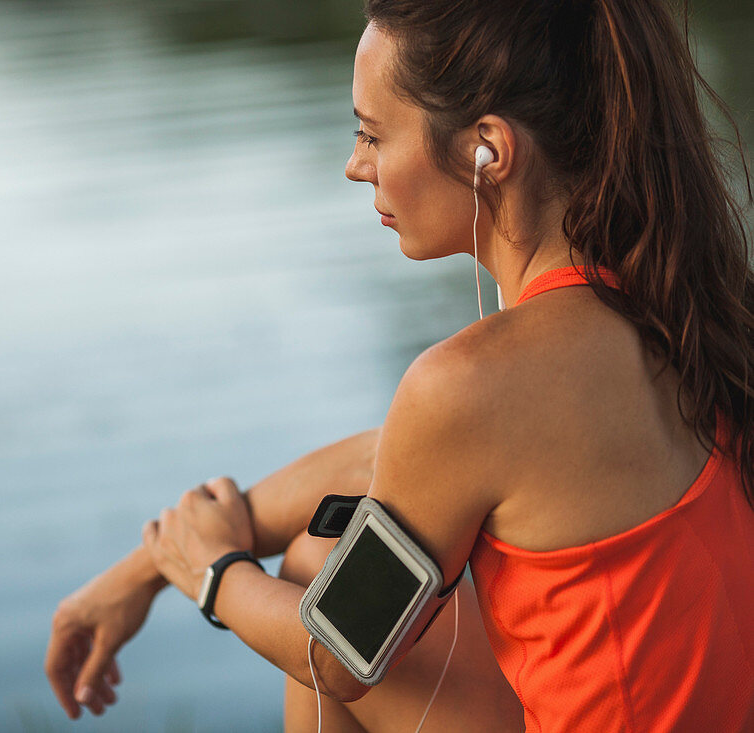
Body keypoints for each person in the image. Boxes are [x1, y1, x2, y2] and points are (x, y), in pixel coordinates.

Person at [45, 0, 754, 729]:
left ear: (489, 150)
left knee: (317, 572)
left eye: (373, 134)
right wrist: (141, 569)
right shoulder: (687, 302)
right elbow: (389, 459)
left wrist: (209, 573)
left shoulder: (476, 383)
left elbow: (340, 656)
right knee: (329, 544)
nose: (355, 166)